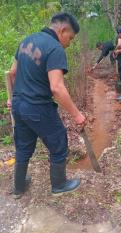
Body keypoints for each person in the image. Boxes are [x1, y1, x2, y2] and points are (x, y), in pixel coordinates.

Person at [7, 12, 86, 199]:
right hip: (38, 107)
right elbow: (57, 88)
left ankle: (19, 187)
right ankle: (59, 185)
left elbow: (12, 73)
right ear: (62, 30)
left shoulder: (27, 41)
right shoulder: (55, 48)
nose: (68, 43)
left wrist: (12, 98)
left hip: (19, 105)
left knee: (24, 147)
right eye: (70, 38)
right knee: (59, 143)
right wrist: (77, 115)